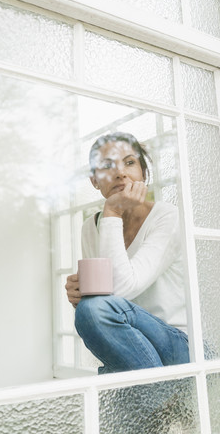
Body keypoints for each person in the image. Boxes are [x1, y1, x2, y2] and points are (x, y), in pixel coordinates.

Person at [65, 132, 189, 374]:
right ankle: (162, 401)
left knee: (94, 311)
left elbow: (121, 289)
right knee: (88, 311)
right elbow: (103, 302)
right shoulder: (90, 228)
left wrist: (113, 211)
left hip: (177, 346)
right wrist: (80, 293)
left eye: (130, 163)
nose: (120, 173)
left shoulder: (167, 217)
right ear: (94, 180)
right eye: (107, 166)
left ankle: (149, 397)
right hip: (134, 348)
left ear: (144, 173)